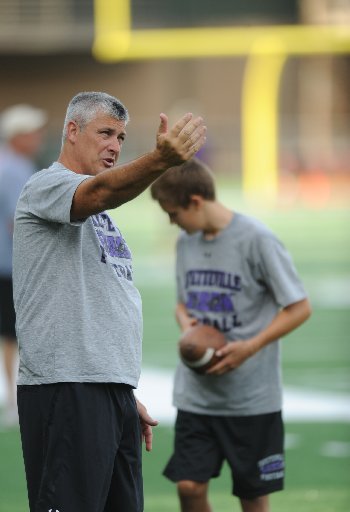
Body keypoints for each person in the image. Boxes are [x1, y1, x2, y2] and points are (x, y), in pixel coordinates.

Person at [12, 91, 206, 512]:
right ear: (72, 131)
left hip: (105, 388)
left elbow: (102, 300)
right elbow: (99, 193)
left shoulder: (102, 216)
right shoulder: (46, 186)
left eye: (121, 137)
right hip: (65, 386)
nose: (115, 146)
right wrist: (160, 160)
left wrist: (118, 388)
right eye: (105, 133)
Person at [150, 157, 312, 512]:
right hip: (197, 396)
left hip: (251, 398)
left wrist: (250, 347)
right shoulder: (186, 243)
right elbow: (183, 303)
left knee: (252, 497)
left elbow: (299, 307)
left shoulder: (258, 239)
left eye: (173, 212)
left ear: (195, 201)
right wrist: (188, 329)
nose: (171, 221)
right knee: (189, 487)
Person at [0, 104, 47, 427]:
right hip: (11, 264)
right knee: (14, 332)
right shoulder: (13, 167)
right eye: (33, 132)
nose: (39, 138)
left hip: (7, 262)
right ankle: (17, 401)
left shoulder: (12, 164)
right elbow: (21, 221)